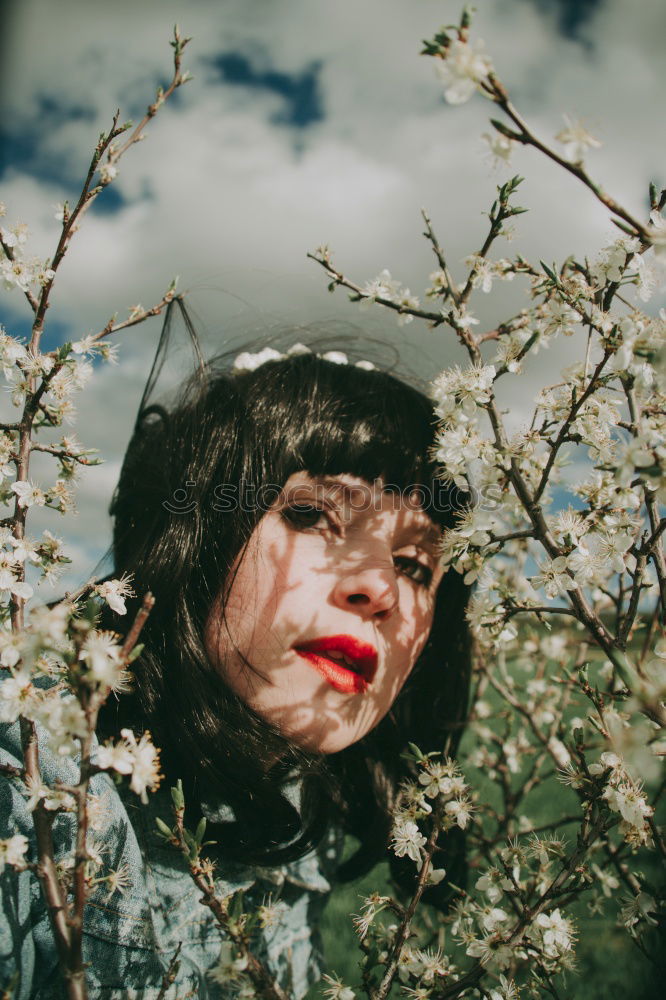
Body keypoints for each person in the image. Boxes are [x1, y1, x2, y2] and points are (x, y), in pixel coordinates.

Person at [0, 329, 470, 998]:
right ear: (192, 537)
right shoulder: (32, 793)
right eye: (312, 515)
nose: (380, 589)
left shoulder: (306, 795)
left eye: (415, 565)